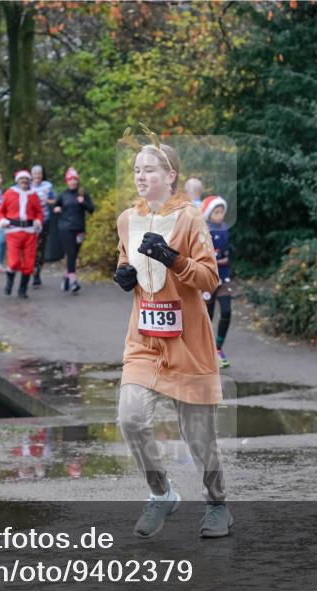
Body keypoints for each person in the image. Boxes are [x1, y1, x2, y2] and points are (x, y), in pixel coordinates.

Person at [112, 131, 231, 539]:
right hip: (143, 340)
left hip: (188, 342)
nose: (140, 177)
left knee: (200, 438)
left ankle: (217, 504)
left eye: (149, 170)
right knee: (129, 417)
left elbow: (210, 279)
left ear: (171, 175)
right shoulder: (127, 219)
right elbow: (127, 262)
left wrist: (172, 257)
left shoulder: (190, 218)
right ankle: (160, 493)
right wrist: (123, 276)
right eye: (136, 170)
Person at [0, 170, 43, 299]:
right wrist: (2, 221)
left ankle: (22, 290)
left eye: (26, 179)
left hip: (30, 232)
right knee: (14, 262)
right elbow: (0, 211)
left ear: (29, 181)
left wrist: (38, 221)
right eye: (21, 179)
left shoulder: (33, 195)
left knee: (29, 263)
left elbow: (39, 212)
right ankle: (9, 283)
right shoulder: (9, 193)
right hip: (13, 231)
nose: (24, 182)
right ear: (17, 181)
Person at [51, 167, 95, 293]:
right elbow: (55, 206)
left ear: (77, 181)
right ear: (67, 181)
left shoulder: (82, 194)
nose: (73, 182)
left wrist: (83, 203)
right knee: (70, 253)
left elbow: (91, 210)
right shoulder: (63, 195)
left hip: (79, 229)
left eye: (75, 179)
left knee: (74, 255)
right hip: (66, 228)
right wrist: (57, 209)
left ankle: (66, 276)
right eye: (70, 180)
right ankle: (73, 281)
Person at [201, 195, 232, 368]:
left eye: (222, 212)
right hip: (207, 279)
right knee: (207, 316)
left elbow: (227, 252)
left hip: (224, 277)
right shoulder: (203, 231)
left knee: (227, 311)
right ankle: (205, 351)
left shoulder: (226, 229)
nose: (220, 215)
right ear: (208, 214)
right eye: (216, 212)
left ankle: (218, 348)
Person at [30, 165, 57, 288]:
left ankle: (36, 274)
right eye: (35, 174)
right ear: (32, 175)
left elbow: (54, 200)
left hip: (44, 221)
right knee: (31, 249)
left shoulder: (48, 186)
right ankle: (29, 270)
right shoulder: (28, 186)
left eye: (39, 174)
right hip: (31, 223)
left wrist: (48, 201)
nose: (37, 177)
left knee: (40, 249)